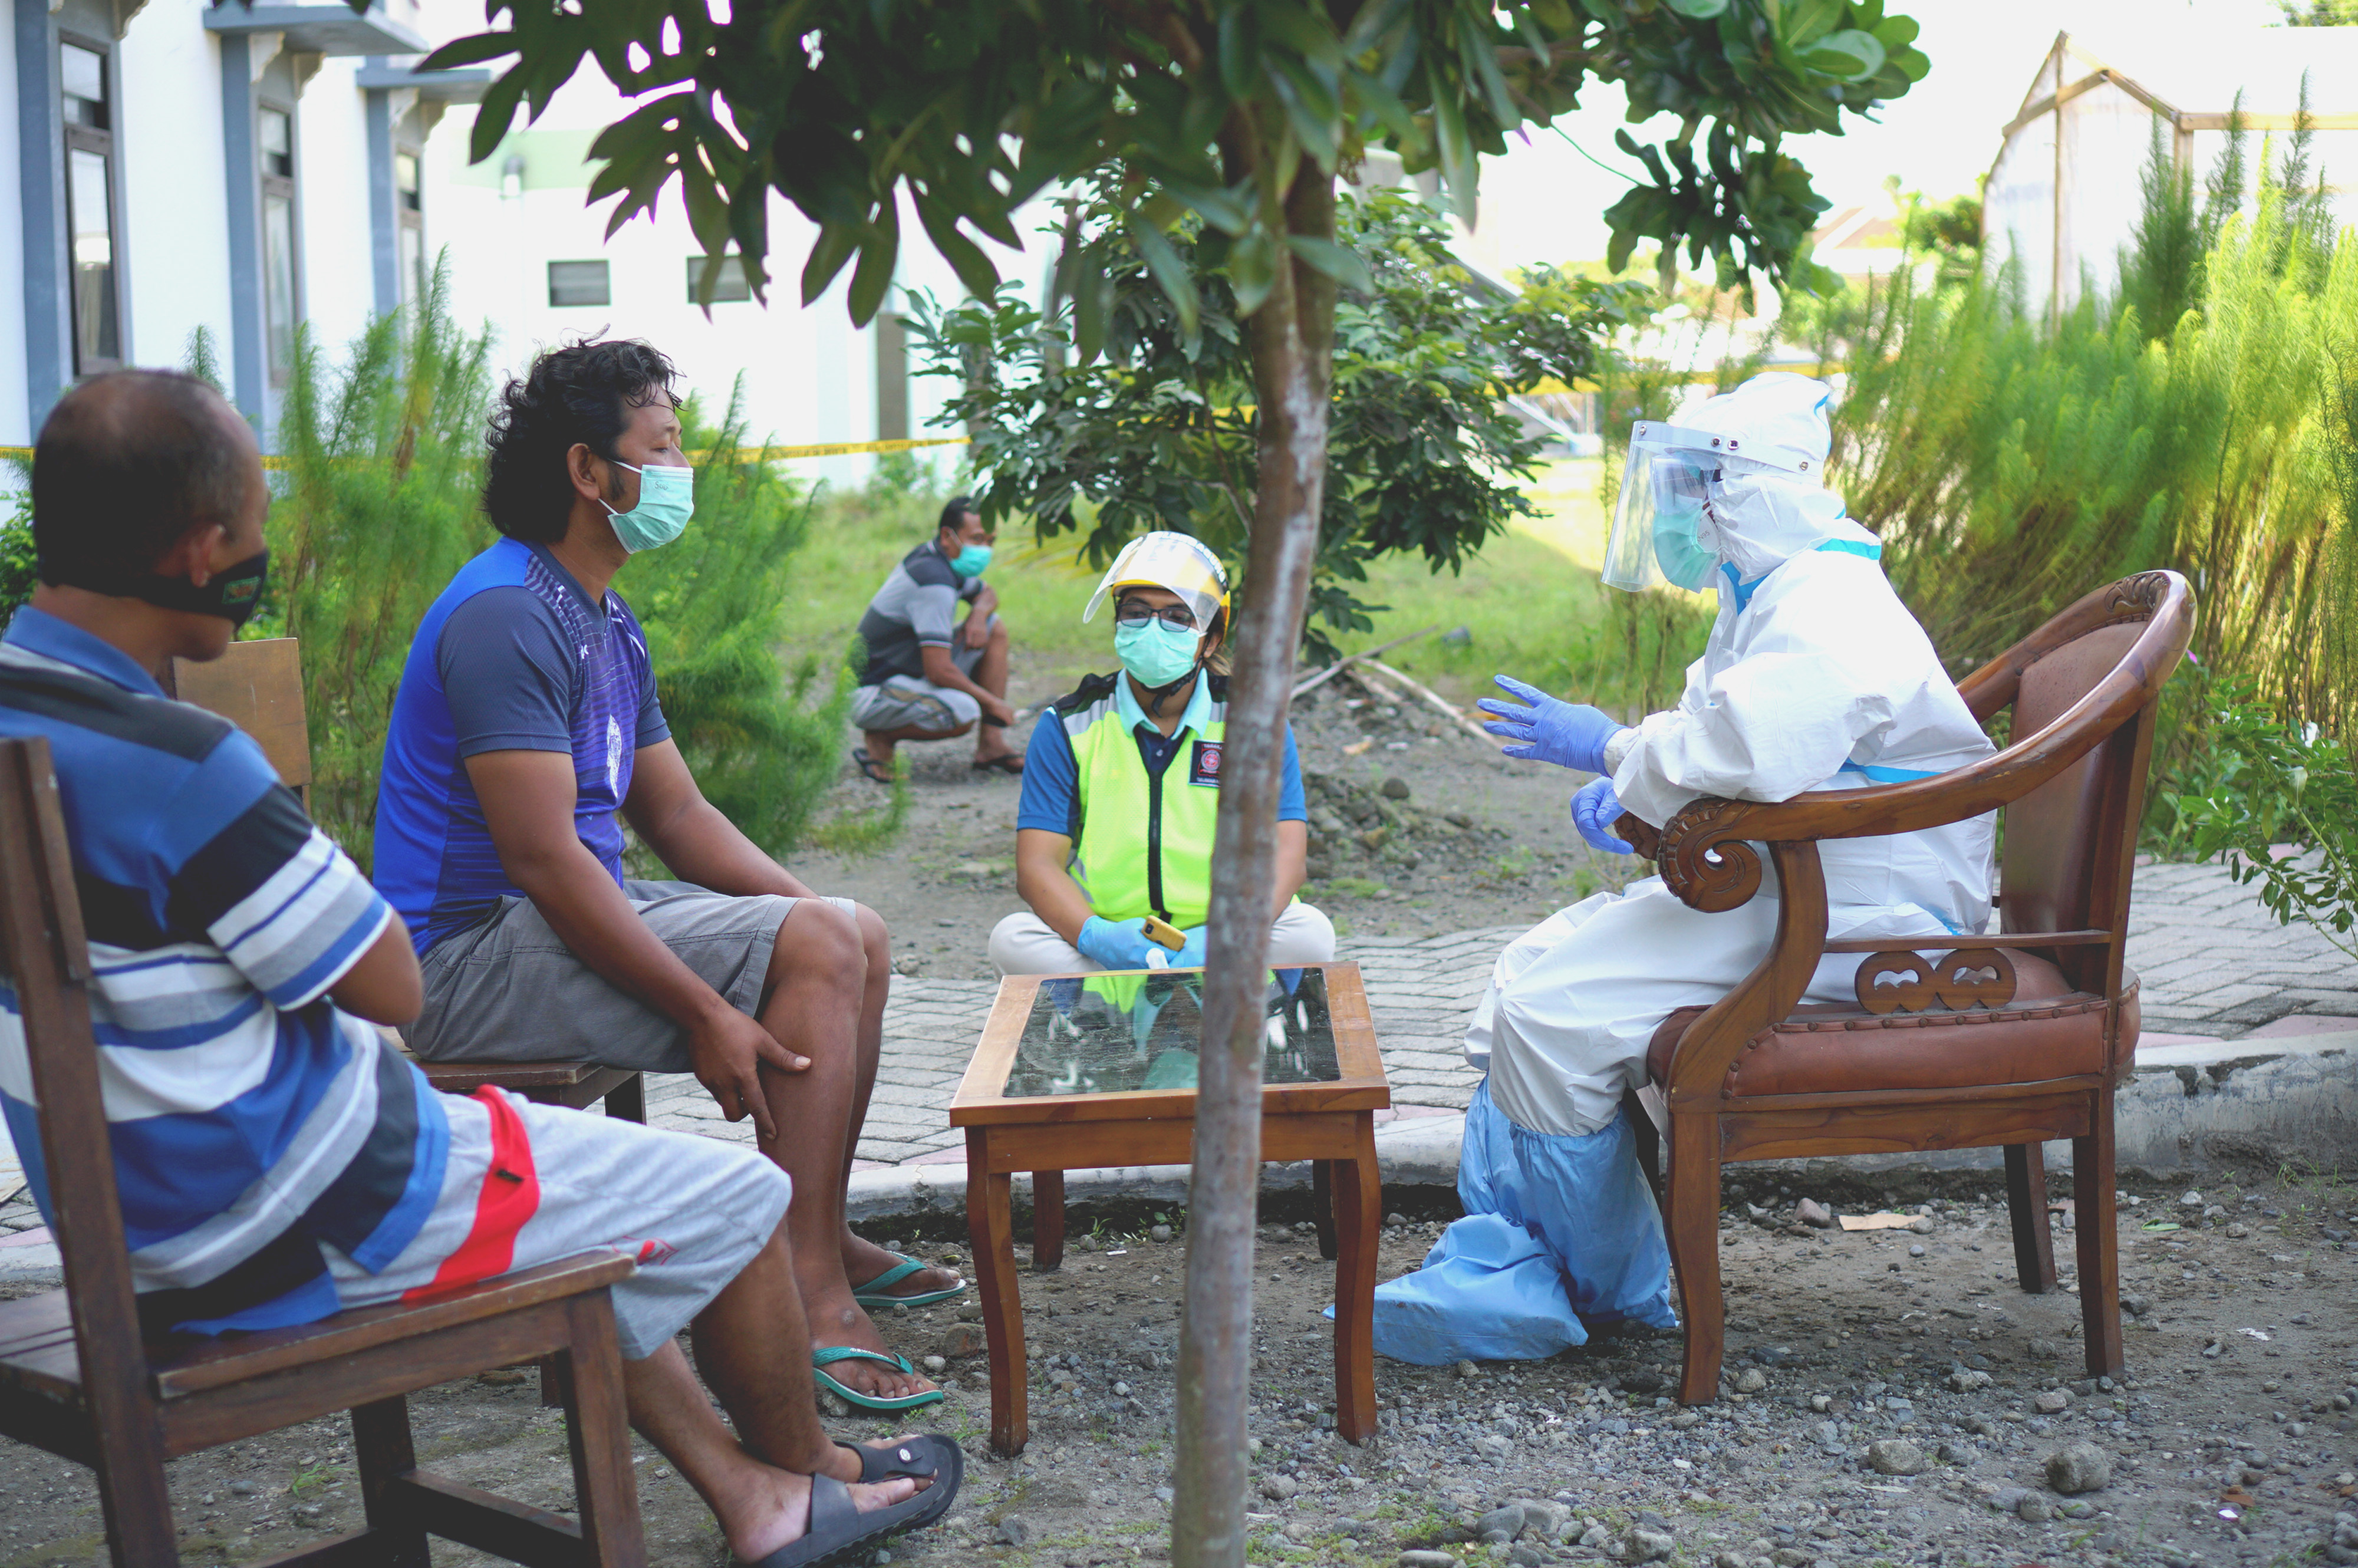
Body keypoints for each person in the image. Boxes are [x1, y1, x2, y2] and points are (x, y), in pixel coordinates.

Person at [0, 369, 960, 1566]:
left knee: (596, 1201)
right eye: (253, 533)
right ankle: (811, 1473)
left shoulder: (29, 722)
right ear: (201, 551)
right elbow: (393, 983)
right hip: (305, 1203)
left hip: (147, 1216)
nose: (261, 562)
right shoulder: (190, 762)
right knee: (737, 1203)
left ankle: (746, 1493)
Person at [374, 340, 959, 1413]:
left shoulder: (599, 616)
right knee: (824, 943)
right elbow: (546, 861)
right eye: (664, 447)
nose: (684, 469)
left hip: (542, 927)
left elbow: (678, 816)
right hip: (464, 961)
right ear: (590, 473)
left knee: (849, 931)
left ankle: (816, 1232)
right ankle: (807, 1286)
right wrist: (704, 1010)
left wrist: (818, 916)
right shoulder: (507, 613)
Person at [1371, 373, 1996, 1363]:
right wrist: (1627, 782)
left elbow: (1742, 750)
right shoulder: (1777, 588)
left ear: (1745, 490)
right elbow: (1718, 725)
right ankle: (1510, 1257)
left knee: (1552, 1013)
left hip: (1864, 909)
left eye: (1692, 486)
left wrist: (1612, 750)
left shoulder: (1830, 602)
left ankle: (1601, 1290)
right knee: (1521, 975)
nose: (1676, 512)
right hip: (1800, 877)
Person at [989, 531, 1335, 975]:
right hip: (1112, 940)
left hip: (1226, 936)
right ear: (1117, 624)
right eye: (1135, 613)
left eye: (1177, 617)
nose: (1153, 628)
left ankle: (1141, 1004)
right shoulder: (1069, 725)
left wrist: (1229, 936)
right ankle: (1126, 1003)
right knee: (1013, 940)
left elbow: (1288, 854)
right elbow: (1037, 863)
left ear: (1210, 640)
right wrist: (1095, 935)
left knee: (1309, 932)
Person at [847, 495, 1021, 780]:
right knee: (964, 712)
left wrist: (977, 614)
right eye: (977, 539)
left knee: (993, 627)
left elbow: (988, 594)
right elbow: (939, 671)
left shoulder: (938, 557)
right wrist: (992, 703)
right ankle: (880, 738)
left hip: (907, 672)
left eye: (991, 541)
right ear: (947, 536)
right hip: (872, 690)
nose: (985, 550)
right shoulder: (933, 581)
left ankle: (991, 745)